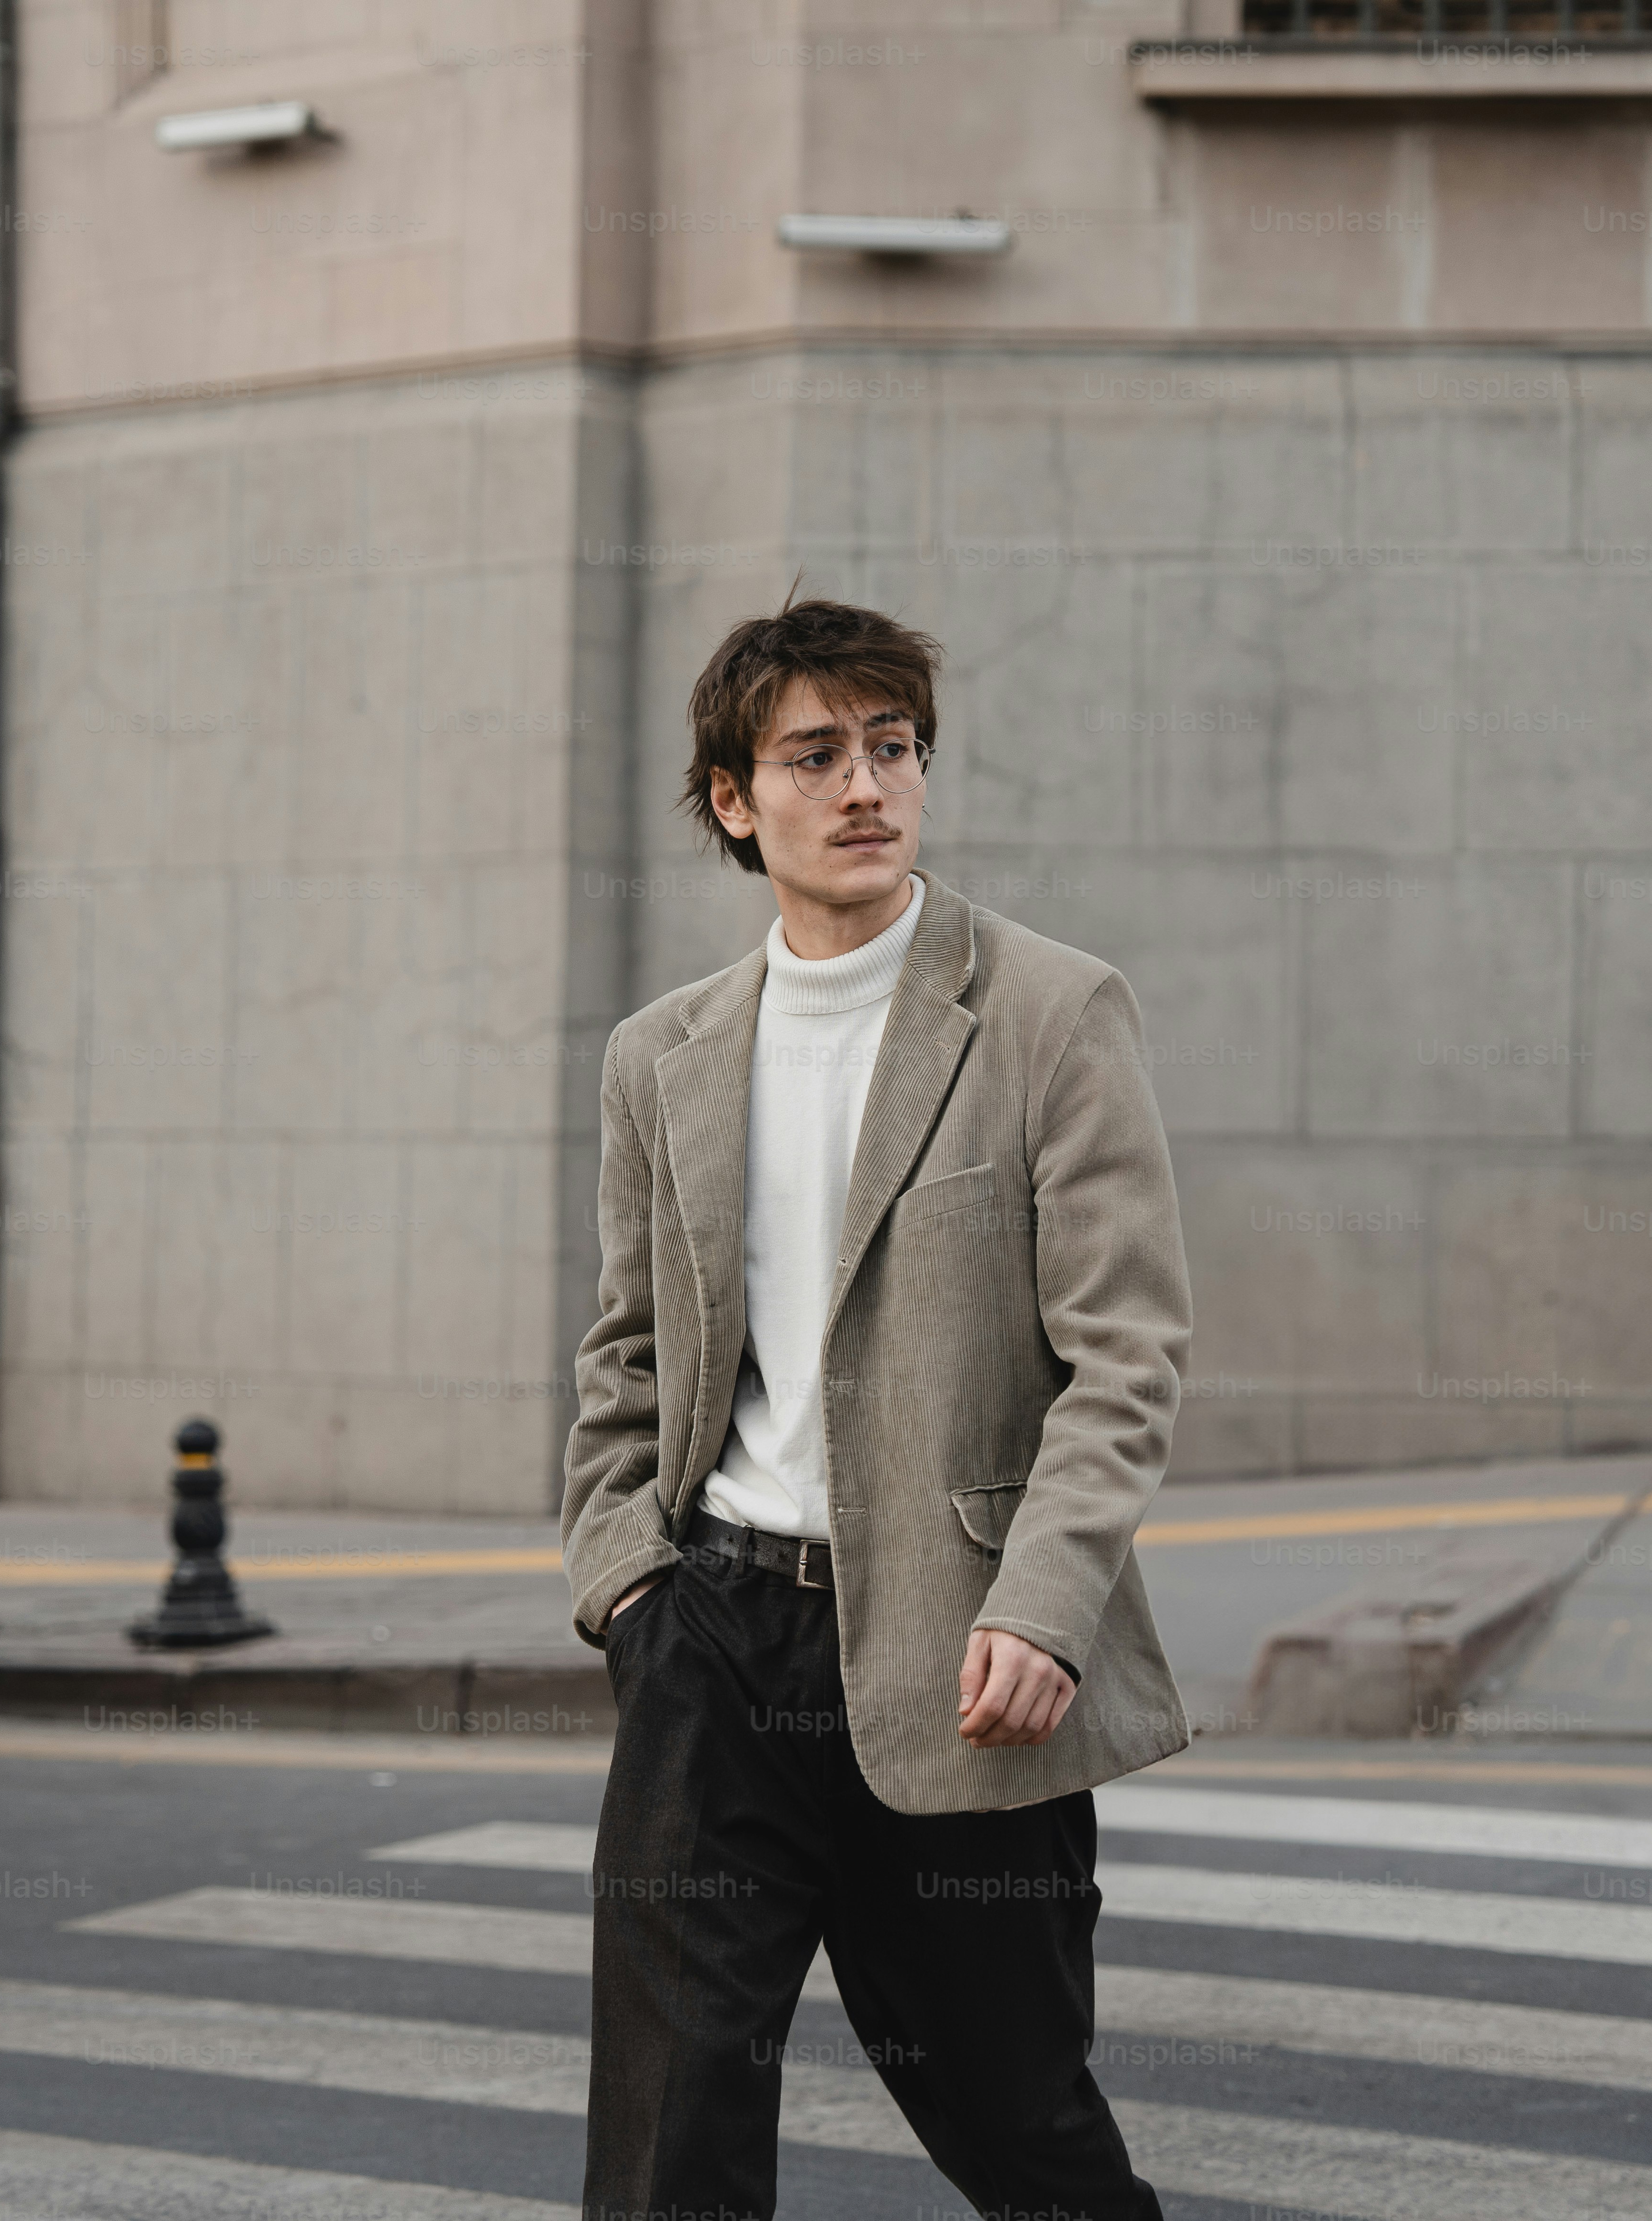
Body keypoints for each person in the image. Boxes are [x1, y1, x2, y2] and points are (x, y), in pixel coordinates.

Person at [560, 593, 1195, 2221]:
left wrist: (1048, 1609)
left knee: (1026, 2135)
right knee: (670, 2141)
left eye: (895, 747)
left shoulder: (1053, 1011)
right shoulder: (661, 1057)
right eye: (817, 753)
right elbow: (626, 1354)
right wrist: (627, 1583)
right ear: (733, 798)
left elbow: (1125, 1351)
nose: (868, 786)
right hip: (712, 1646)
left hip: (968, 1660)